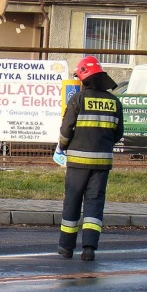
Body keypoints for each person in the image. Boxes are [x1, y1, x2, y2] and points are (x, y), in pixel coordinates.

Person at [56, 56, 124, 261]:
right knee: (94, 204)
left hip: (78, 163)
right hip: (102, 163)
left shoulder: (78, 99)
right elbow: (118, 133)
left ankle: (67, 248)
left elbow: (66, 130)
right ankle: (89, 249)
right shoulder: (114, 102)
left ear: (83, 78)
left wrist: (62, 146)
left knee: (73, 201)